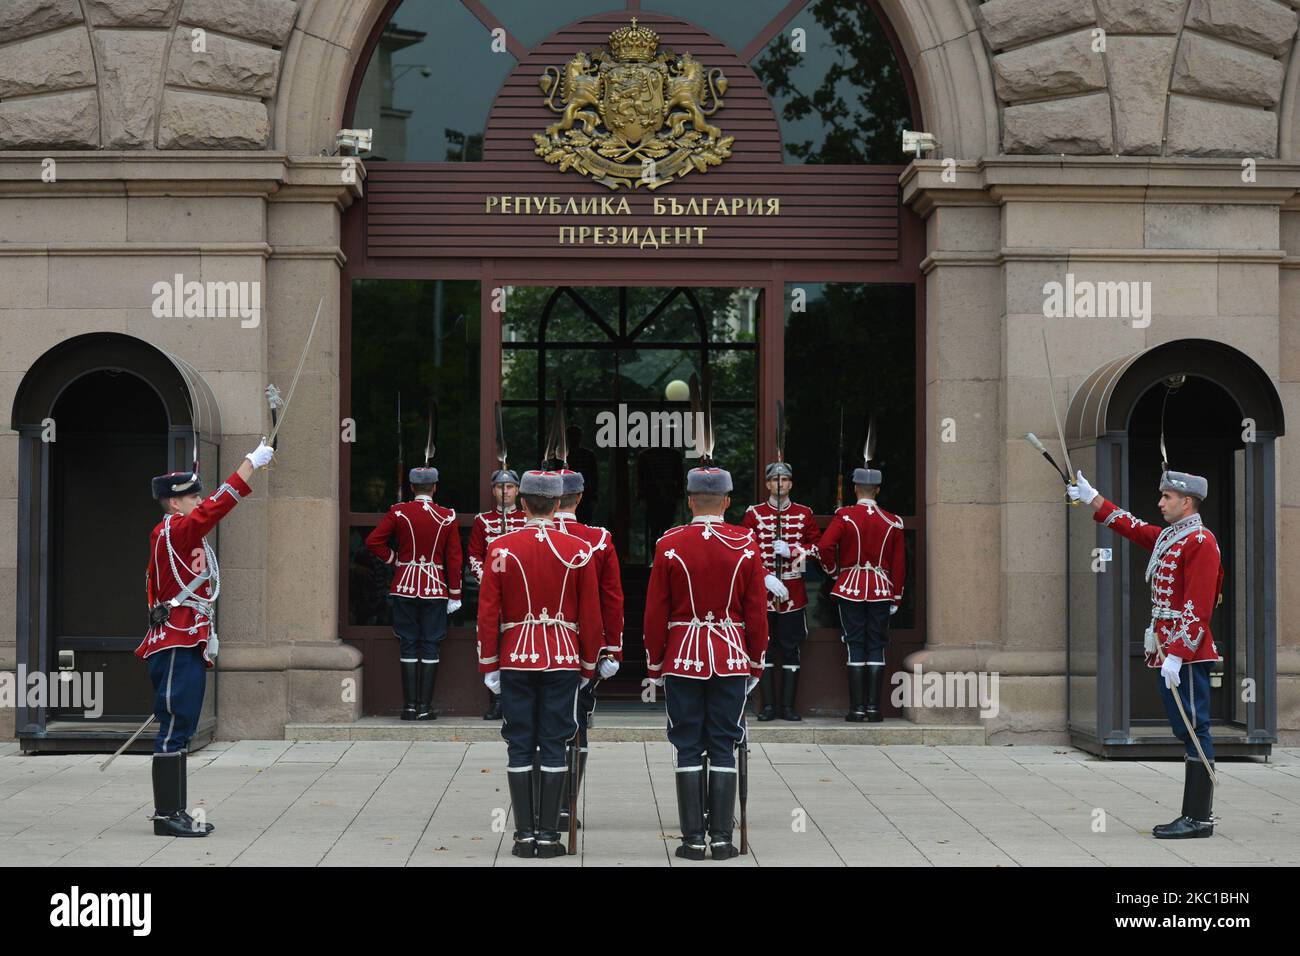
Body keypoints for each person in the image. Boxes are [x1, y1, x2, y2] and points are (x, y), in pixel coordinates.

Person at [1070, 468, 1223, 839]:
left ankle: (1198, 817)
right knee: (1184, 727)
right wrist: (1094, 498)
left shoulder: (1200, 541)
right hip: (1170, 648)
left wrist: (1177, 653)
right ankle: (1195, 815)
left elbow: (1198, 605)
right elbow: (1134, 527)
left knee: (1194, 727)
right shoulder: (1174, 538)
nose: (1160, 503)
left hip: (1185, 652)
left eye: (1167, 497)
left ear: (1186, 502)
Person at [139, 441, 274, 837]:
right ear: (174, 503)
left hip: (187, 636)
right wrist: (249, 464)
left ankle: (175, 810)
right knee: (174, 725)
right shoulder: (176, 529)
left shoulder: (181, 532)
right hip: (176, 640)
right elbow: (219, 505)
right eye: (193, 496)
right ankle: (166, 816)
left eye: (197, 494)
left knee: (182, 725)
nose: (199, 501)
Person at [476, 470, 604, 858]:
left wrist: (489, 664)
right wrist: (587, 666)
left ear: (523, 503)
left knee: (518, 745)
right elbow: (591, 616)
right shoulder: (578, 550)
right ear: (557, 502)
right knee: (553, 743)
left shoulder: (501, 548)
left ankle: (523, 837)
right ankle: (549, 837)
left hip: (516, 655)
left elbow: (487, 613)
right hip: (563, 657)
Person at [644, 465, 769, 860]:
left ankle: (692, 840)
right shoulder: (746, 543)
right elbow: (757, 612)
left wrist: (654, 663)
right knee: (723, 745)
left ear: (690, 500)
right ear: (728, 502)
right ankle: (722, 839)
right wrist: (756, 662)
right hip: (731, 655)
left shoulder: (670, 543)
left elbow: (655, 611)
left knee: (686, 745)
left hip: (682, 655)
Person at [553, 468, 623, 829]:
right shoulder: (597, 539)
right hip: (583, 648)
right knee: (576, 725)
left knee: (537, 730)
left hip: (530, 651)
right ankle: (565, 808)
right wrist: (611, 650)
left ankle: (539, 810)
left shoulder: (520, 538)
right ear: (580, 498)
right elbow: (611, 600)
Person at [365, 466, 463, 721]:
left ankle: (409, 708)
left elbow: (373, 541)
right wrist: (455, 593)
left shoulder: (399, 512)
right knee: (430, 645)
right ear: (434, 487)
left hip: (405, 586)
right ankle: (424, 707)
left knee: (408, 643)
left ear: (411, 487)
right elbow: (454, 558)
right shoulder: (447, 516)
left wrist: (395, 559)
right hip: (435, 588)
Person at [817, 466, 905, 722]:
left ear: (855, 488)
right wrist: (896, 595)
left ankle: (857, 709)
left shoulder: (845, 516)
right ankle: (874, 709)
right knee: (876, 644)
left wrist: (834, 572)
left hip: (851, 585)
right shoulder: (892, 520)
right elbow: (899, 564)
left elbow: (824, 546)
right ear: (877, 490)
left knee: (855, 644)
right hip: (880, 587)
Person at [742, 461, 820, 721]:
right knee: (763, 647)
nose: (780, 484)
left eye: (785, 479)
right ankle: (766, 706)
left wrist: (793, 552)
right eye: (775, 480)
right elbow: (747, 552)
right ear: (767, 484)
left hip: (793, 593)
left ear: (790, 484)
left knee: (790, 648)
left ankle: (787, 707)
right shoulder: (754, 514)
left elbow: (818, 549)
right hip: (763, 593)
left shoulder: (804, 513)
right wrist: (764, 577)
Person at [466, 469, 526, 719]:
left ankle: (519, 702)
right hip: (493, 595)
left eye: (510, 487)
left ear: (517, 490)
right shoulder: (483, 520)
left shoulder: (526, 519)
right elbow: (474, 556)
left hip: (522, 596)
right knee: (491, 644)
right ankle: (497, 701)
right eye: (500, 487)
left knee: (518, 644)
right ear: (493, 491)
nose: (505, 491)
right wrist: (489, 580)